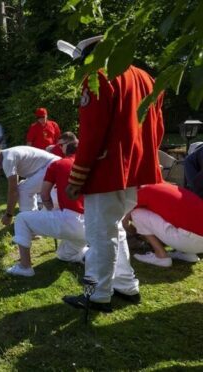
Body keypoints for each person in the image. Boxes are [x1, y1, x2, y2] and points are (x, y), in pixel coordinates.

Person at [58, 35, 164, 312]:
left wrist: (77, 176)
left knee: (100, 235)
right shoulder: (146, 78)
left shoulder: (98, 78)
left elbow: (92, 134)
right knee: (114, 228)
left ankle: (97, 294)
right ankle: (126, 285)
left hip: (108, 171)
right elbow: (158, 128)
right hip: (135, 169)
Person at [7, 141, 88, 276]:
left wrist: (50, 211)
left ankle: (25, 267)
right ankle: (89, 256)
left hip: (69, 219)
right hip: (90, 226)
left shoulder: (57, 164)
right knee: (63, 255)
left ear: (65, 151)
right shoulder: (91, 167)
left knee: (21, 219)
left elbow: (44, 195)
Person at [129, 183, 203, 267]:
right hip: (198, 244)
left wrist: (137, 233)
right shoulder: (168, 186)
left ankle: (161, 256)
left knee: (137, 213)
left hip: (188, 240)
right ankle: (188, 253)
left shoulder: (143, 191)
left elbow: (125, 221)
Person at [0, 146, 60, 225]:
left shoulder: (8, 160)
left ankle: (31, 225)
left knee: (23, 190)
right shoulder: (8, 154)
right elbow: (16, 182)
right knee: (23, 185)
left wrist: (9, 215)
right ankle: (36, 219)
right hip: (55, 164)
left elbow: (13, 190)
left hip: (51, 167)